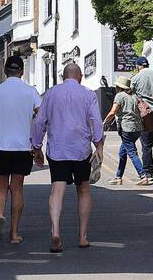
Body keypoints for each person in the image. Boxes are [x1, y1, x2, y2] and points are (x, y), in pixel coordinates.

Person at [30, 61, 105, 252]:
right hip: (81, 150)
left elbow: (39, 122)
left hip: (58, 149)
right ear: (79, 77)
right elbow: (96, 120)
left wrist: (36, 146)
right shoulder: (88, 94)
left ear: (63, 77)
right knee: (84, 190)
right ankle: (82, 237)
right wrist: (99, 144)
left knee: (57, 190)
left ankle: (55, 231)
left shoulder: (51, 93)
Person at [0, 55, 42, 245]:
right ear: (22, 71)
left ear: (5, 71)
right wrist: (37, 143)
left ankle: (0, 213)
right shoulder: (31, 92)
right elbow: (41, 117)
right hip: (23, 147)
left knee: (1, 186)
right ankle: (14, 233)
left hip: (2, 147)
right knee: (17, 189)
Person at [103, 76, 151, 185]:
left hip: (126, 128)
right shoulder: (134, 96)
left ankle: (143, 176)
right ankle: (118, 177)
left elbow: (113, 111)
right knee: (122, 152)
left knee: (132, 153)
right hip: (137, 128)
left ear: (119, 87)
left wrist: (104, 123)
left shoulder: (120, 96)